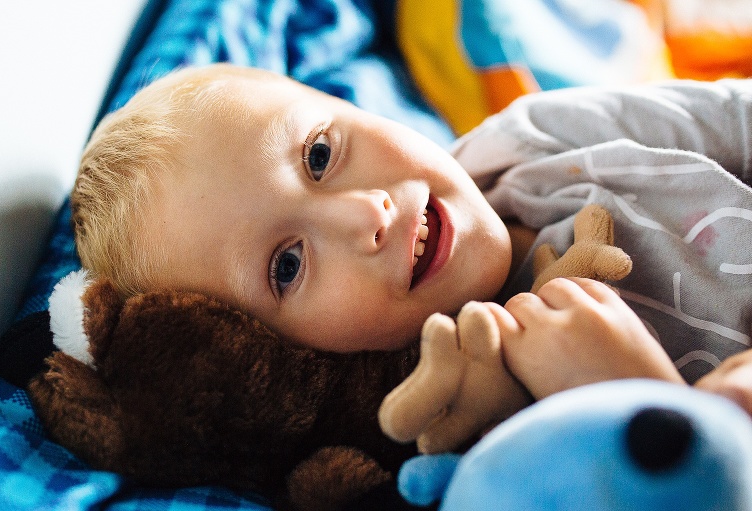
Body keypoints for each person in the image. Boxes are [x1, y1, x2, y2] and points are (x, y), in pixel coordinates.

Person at [71, 63, 752, 416]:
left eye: (317, 155)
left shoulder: (531, 138)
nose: (363, 214)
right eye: (287, 265)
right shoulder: (475, 414)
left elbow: (734, 116)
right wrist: (642, 401)